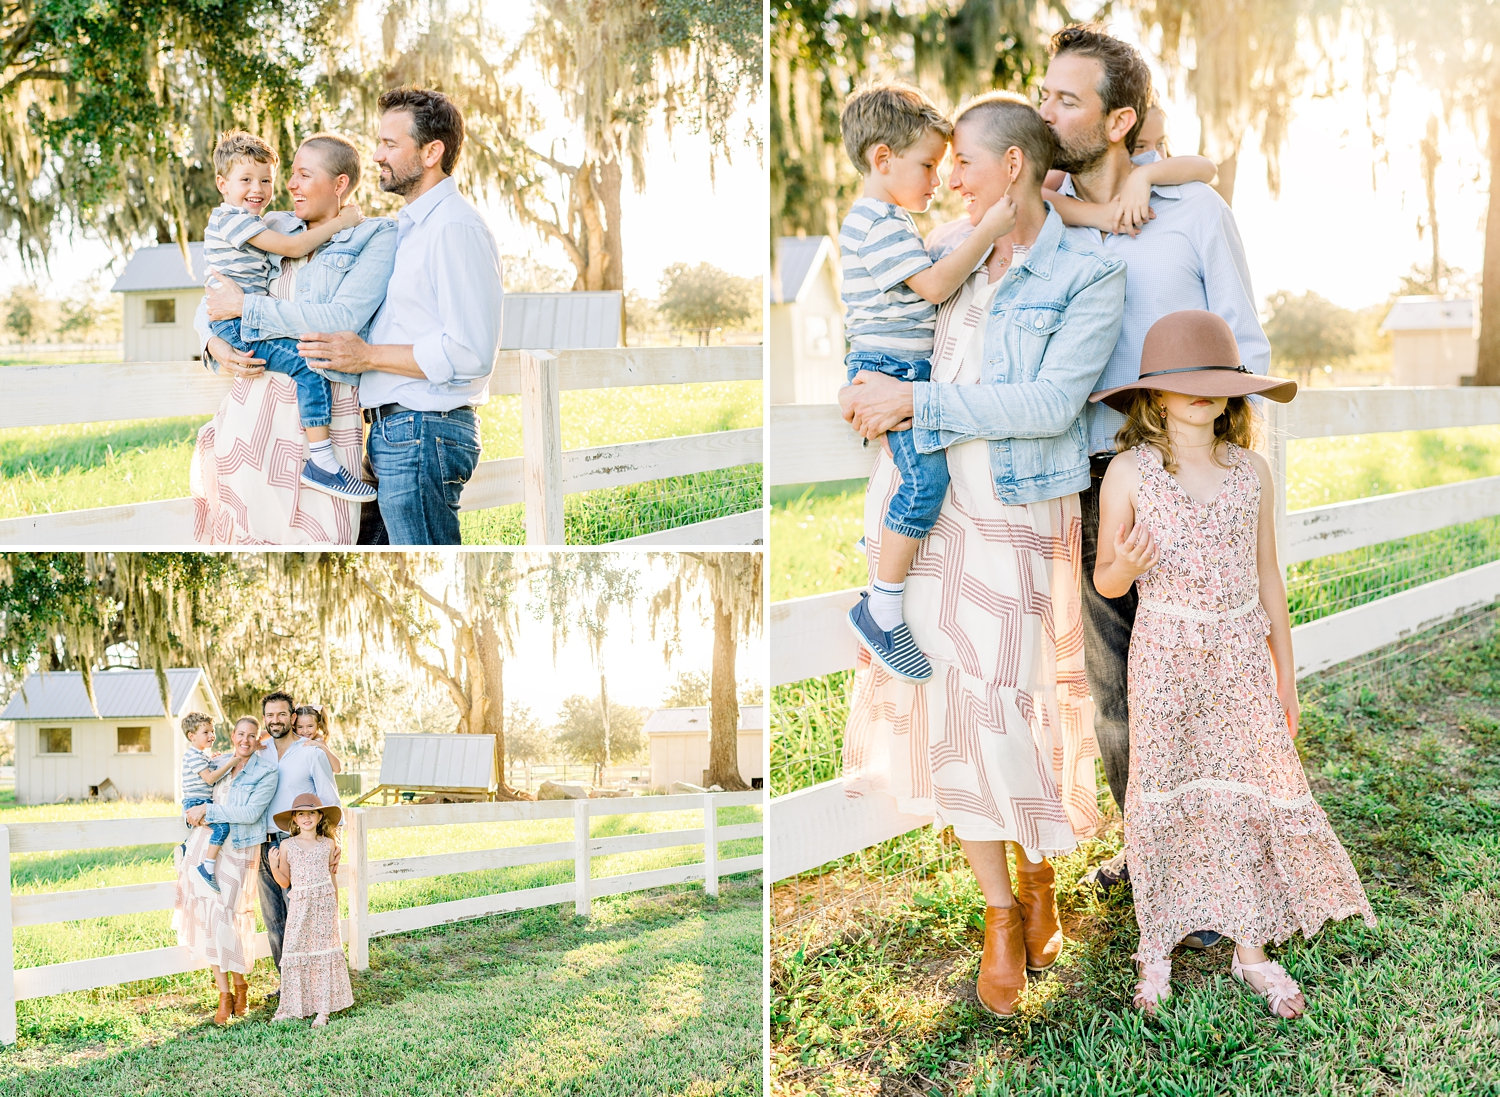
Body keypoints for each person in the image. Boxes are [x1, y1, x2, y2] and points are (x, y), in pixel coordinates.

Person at [840, 91, 1125, 1017]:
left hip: (1014, 515)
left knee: (1016, 709)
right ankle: (999, 912)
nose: (946, 177)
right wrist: (867, 389)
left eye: (959, 160)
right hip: (927, 517)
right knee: (953, 713)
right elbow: (881, 332)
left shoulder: (1087, 278)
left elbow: (1049, 408)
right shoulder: (945, 262)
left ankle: (1040, 874)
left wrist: (912, 405)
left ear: (1011, 167)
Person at [1036, 25, 1272, 924]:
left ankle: (1224, 844)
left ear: (1120, 118)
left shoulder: (1195, 214)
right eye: (1046, 92)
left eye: (1068, 99)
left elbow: (1245, 345)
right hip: (1098, 473)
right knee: (1120, 678)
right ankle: (1151, 851)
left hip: (1195, 470)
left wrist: (1222, 474)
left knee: (1212, 663)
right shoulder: (1049, 213)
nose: (1049, 109)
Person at [1091, 310, 1375, 1016]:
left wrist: (1286, 666)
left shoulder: (1252, 472)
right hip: (1166, 653)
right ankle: (1155, 944)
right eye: (1184, 382)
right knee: (1164, 786)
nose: (1200, 393)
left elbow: (1268, 576)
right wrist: (1121, 565)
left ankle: (1251, 946)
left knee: (1246, 790)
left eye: (1214, 381)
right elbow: (1106, 582)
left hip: (1241, 653)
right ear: (1154, 393)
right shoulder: (1128, 473)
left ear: (1230, 393)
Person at [836, 82, 1018, 681]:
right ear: (882, 159)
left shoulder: (888, 220)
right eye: (928, 166)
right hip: (892, 372)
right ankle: (881, 606)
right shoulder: (878, 222)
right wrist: (989, 229)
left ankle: (882, 568)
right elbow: (936, 286)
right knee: (924, 481)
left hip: (897, 370)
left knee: (917, 479)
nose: (938, 182)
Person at [294, 87, 503, 546]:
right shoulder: (409, 229)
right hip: (396, 433)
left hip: (423, 430)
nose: (376, 155)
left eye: (390, 144)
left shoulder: (453, 228)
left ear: (432, 152)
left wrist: (367, 356)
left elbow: (471, 352)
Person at [192, 131, 398, 544]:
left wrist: (246, 310)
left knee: (326, 537)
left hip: (323, 412)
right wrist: (212, 344)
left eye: (303, 174)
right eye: (290, 175)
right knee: (247, 534)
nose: (287, 185)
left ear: (340, 184)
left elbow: (342, 318)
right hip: (255, 404)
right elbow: (216, 294)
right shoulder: (270, 224)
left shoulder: (374, 236)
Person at [221, 691, 342, 975]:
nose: (276, 720)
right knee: (274, 919)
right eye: (270, 716)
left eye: (282, 714)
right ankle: (287, 984)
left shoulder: (311, 752)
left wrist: (336, 843)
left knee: (305, 916)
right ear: (264, 720)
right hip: (264, 844)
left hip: (301, 844)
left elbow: (330, 799)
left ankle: (313, 982)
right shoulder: (260, 753)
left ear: (293, 717)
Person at [174, 716, 279, 1024]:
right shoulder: (217, 763)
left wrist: (208, 810)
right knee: (208, 917)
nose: (245, 740)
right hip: (206, 847)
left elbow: (250, 813)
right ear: (233, 736)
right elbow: (195, 795)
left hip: (240, 849)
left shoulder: (266, 771)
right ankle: (224, 993)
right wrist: (194, 814)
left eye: (251, 735)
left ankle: (241, 984)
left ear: (258, 739)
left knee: (229, 918)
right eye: (240, 734)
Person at [267, 792, 354, 1026]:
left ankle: (322, 1010)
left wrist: (335, 905)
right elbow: (285, 882)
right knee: (295, 948)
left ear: (319, 816)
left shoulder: (328, 844)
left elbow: (332, 877)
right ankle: (291, 1006)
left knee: (323, 951)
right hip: (300, 902)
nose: (307, 818)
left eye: (311, 813)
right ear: (294, 819)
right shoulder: (286, 846)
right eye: (301, 814)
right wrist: (274, 866)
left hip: (324, 903)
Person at [178, 712, 234, 893]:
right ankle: (207, 867)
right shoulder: (193, 756)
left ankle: (186, 847)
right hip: (196, 802)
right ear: (191, 736)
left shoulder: (201, 756)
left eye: (212, 731)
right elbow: (209, 779)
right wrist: (231, 762)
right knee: (222, 828)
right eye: (206, 732)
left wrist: (213, 760)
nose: (212, 735)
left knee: (206, 832)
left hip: (201, 801)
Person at [293, 704, 343, 774]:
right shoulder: (293, 740)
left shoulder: (318, 742)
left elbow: (337, 769)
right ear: (294, 727)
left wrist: (321, 746)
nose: (305, 731)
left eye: (310, 726)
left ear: (318, 725)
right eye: (300, 727)